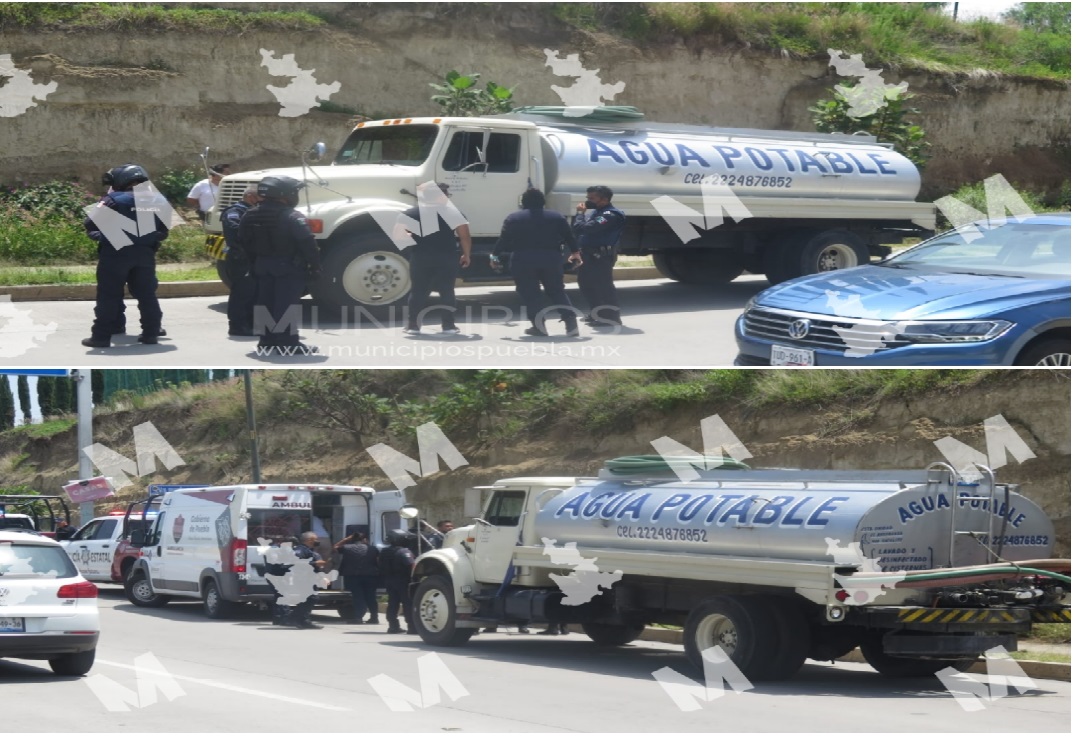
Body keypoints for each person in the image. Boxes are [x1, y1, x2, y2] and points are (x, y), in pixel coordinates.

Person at [81, 163, 169, 348]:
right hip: (145, 254)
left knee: (109, 295)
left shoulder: (114, 199)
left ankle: (101, 337)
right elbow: (163, 231)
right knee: (147, 296)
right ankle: (151, 334)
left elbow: (90, 224)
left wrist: (112, 236)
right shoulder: (158, 200)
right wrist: (144, 239)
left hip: (116, 254)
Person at [238, 175, 321, 355]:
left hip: (261, 265)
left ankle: (266, 342)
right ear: (285, 194)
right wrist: (315, 267)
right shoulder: (291, 216)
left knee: (264, 303)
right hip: (288, 267)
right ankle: (289, 343)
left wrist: (254, 264)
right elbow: (307, 243)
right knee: (286, 304)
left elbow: (243, 241)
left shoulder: (249, 214)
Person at [492, 188, 582, 337]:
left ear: (523, 202)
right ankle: (571, 325)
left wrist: (494, 257)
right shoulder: (557, 217)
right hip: (551, 259)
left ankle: (539, 327)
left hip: (523, 260)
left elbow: (503, 241)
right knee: (557, 291)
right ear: (543, 202)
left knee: (531, 294)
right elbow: (569, 237)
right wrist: (575, 253)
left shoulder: (514, 218)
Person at [400, 182, 472, 335]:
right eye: (446, 195)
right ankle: (448, 326)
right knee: (447, 291)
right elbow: (464, 236)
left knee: (418, 291)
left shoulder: (411, 213)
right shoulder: (454, 213)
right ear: (441, 196)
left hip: (420, 257)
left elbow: (400, 236)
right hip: (447, 258)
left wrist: (411, 241)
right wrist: (466, 255)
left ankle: (413, 326)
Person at [572, 185, 627, 327]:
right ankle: (597, 313)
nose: (588, 201)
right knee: (586, 284)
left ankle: (611, 317)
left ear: (604, 199)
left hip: (601, 255)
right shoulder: (597, 212)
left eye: (592, 198)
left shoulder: (610, 214)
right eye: (587, 198)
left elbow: (585, 228)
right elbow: (580, 232)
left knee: (603, 286)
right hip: (588, 254)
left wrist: (579, 214)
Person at [220, 185, 260, 337]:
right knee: (242, 294)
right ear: (250, 197)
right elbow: (235, 232)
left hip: (252, 258)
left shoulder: (254, 212)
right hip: (240, 258)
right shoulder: (234, 212)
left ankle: (250, 324)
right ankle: (237, 326)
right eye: (259, 197)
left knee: (254, 293)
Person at [333, 531, 380, 625]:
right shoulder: (373, 549)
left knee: (358, 596)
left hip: (353, 576)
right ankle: (374, 617)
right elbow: (378, 561)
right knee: (371, 596)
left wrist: (346, 539)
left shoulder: (347, 548)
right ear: (365, 539)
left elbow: (335, 547)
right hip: (370, 576)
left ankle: (358, 617)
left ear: (352, 540)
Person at [287, 531, 328, 629]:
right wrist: (314, 563)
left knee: (307, 599)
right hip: (303, 578)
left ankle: (304, 620)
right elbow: (296, 562)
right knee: (311, 598)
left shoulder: (310, 551)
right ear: (309, 540)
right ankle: (293, 617)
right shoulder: (300, 550)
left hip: (311, 578)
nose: (317, 541)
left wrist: (323, 577)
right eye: (315, 539)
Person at [381, 530, 416, 634]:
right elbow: (411, 565)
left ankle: (393, 626)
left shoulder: (384, 551)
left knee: (393, 603)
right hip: (403, 581)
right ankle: (412, 627)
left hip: (389, 580)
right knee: (408, 604)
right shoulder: (404, 551)